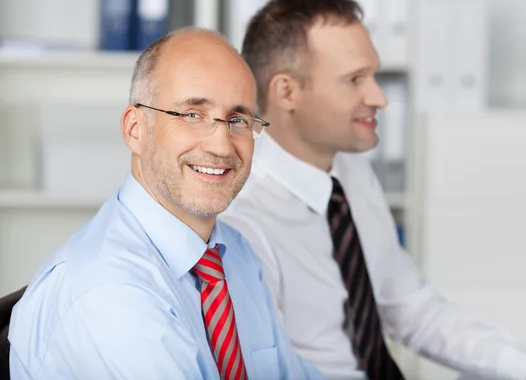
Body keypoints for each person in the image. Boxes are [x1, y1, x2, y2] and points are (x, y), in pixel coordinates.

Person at [220, 0, 526, 380]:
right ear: (287, 92)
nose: (380, 97)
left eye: (374, 75)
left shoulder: (350, 171)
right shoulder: (242, 219)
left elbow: (410, 308)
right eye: (354, 80)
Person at [8, 28, 324, 380]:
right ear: (135, 129)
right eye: (192, 114)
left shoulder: (234, 253)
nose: (221, 146)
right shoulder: (111, 295)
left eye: (237, 120)